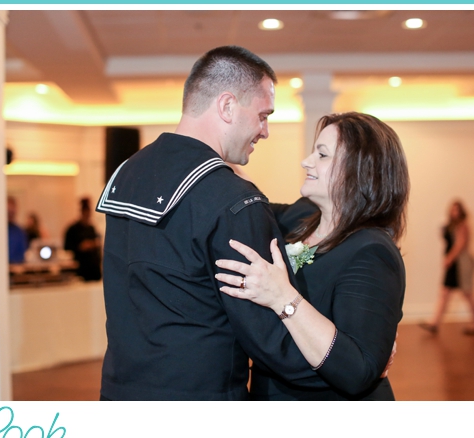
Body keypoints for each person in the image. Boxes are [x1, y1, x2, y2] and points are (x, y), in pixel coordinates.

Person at [96, 46, 319, 400]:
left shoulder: (127, 172)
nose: (265, 131)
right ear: (227, 106)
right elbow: (269, 336)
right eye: (263, 115)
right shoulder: (232, 199)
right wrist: (350, 364)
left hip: (121, 391)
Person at [215, 112, 408, 400]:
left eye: (322, 154)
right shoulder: (304, 215)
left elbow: (357, 372)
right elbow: (250, 201)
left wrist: (282, 297)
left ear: (359, 170)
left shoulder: (372, 252)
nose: (306, 161)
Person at [422, 200, 474, 335]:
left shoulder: (463, 226)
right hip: (453, 265)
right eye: (453, 209)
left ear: (461, 212)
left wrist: (449, 258)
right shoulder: (450, 226)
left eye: (457, 210)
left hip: (460, 265)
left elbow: (460, 244)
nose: (454, 212)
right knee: (444, 293)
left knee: (468, 293)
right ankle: (434, 322)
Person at [63, 197, 102, 281]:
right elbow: (67, 248)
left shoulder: (91, 228)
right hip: (80, 268)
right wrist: (80, 247)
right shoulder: (73, 229)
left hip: (93, 269)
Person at [7, 196, 27, 264]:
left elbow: (21, 256)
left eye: (12, 212)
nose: (10, 214)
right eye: (8, 212)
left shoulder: (20, 232)